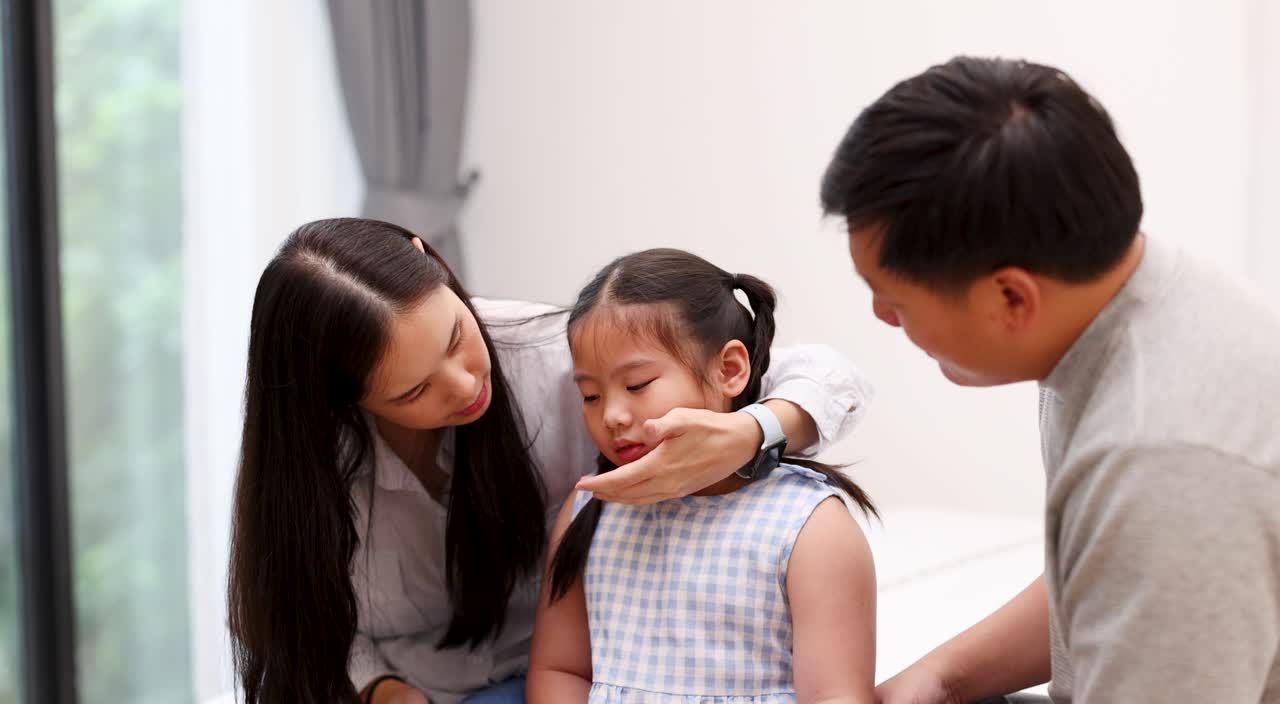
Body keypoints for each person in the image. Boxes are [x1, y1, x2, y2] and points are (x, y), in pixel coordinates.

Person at [227, 218, 875, 704]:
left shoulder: (561, 355)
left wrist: (751, 431)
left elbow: (815, 373)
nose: (464, 384)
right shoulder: (315, 471)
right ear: (345, 402)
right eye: (414, 390)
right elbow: (303, 624)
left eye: (457, 337)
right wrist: (385, 691)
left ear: (429, 260)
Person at [819, 56, 1280, 702]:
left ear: (1011, 298)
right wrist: (942, 678)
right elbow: (1110, 577)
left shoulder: (1160, 459)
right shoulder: (1133, 294)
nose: (881, 317)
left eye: (894, 301)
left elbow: (1147, 542)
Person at [527, 248, 877, 704]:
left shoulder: (809, 525)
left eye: (637, 385)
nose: (611, 415)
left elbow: (836, 696)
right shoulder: (588, 512)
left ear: (729, 370)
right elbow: (560, 669)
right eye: (591, 395)